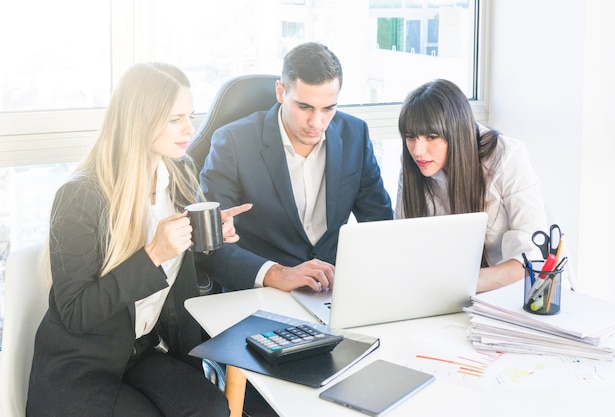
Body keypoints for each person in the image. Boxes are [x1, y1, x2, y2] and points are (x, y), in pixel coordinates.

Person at [27, 62, 251, 417]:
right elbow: (75, 312)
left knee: (210, 407)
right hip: (82, 366)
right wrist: (153, 255)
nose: (190, 129)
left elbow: (182, 267)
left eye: (189, 115)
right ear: (141, 120)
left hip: (141, 351)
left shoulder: (179, 173)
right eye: (175, 119)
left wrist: (207, 237)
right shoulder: (80, 196)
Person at [199, 42, 393, 293]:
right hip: (261, 293)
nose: (317, 121)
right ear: (281, 92)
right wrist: (275, 274)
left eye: (328, 108)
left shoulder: (355, 134)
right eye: (304, 107)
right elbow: (212, 244)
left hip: (333, 291)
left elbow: (380, 224)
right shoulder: (233, 142)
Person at [395, 79, 546, 293]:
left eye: (432, 137)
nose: (418, 150)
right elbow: (403, 246)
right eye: (410, 137)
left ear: (457, 132)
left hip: (512, 297)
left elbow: (532, 262)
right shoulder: (413, 162)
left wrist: (456, 283)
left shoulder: (507, 157)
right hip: (446, 296)